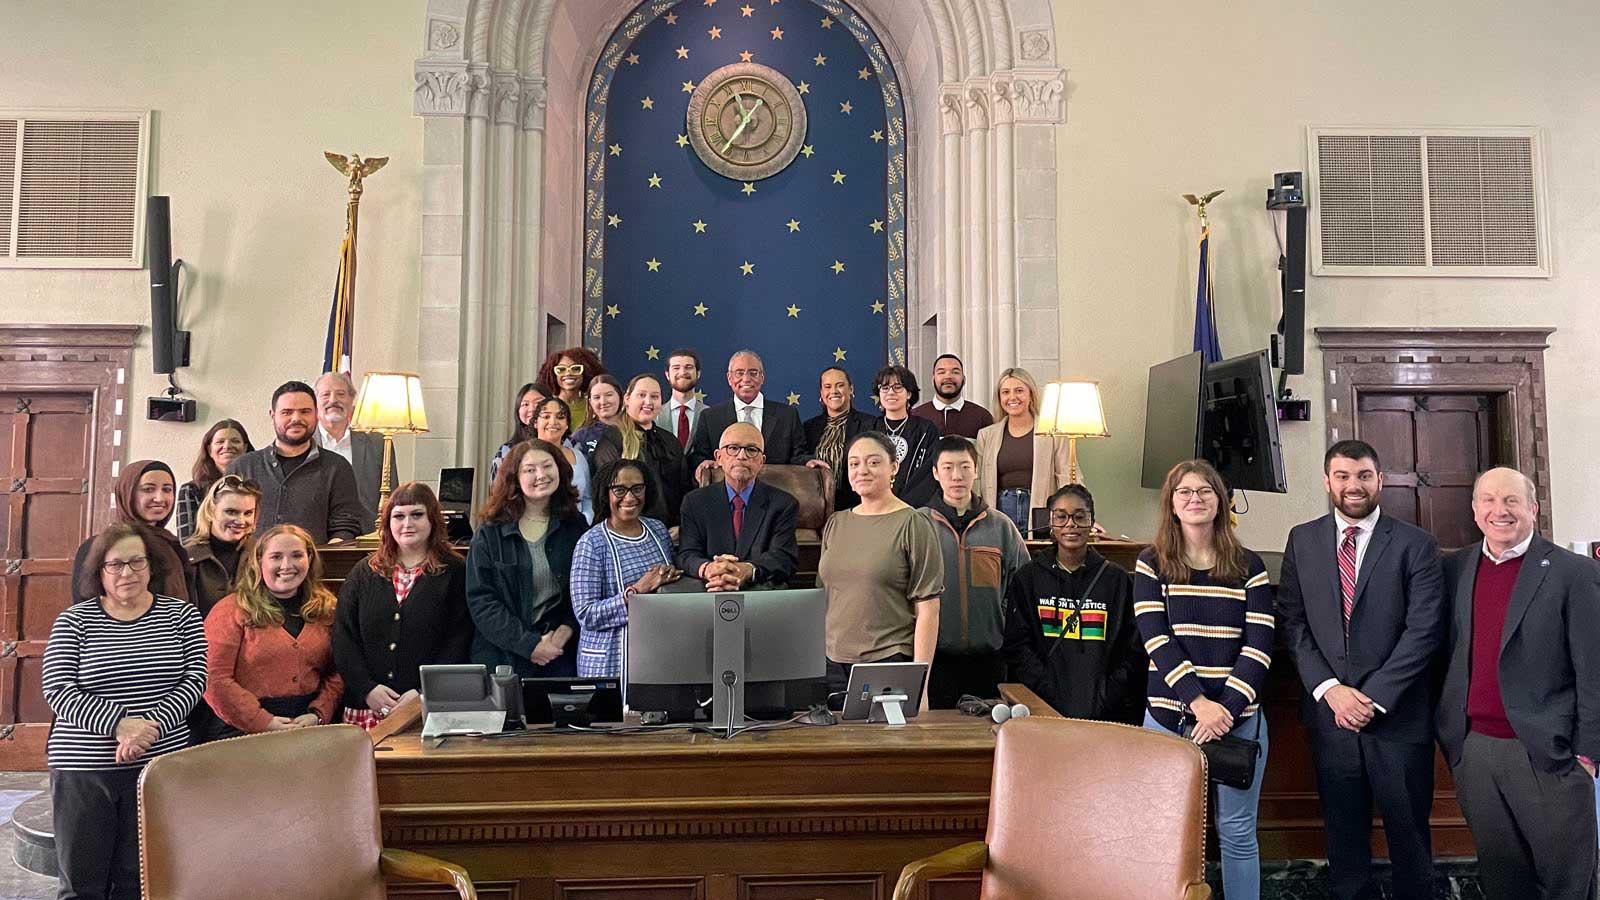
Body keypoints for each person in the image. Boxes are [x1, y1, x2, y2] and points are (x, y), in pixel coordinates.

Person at [1276, 440, 1446, 900]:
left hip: (1397, 719)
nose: (1354, 486)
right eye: (1343, 476)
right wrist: (1331, 690)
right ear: (1327, 480)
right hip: (1330, 719)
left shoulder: (1417, 544)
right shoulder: (1302, 539)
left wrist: (1371, 697)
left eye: (1364, 475)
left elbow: (1424, 630)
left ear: (1380, 480)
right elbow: (1292, 621)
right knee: (1344, 838)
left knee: (1410, 838)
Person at [1435, 467, 1599, 900]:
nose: (1499, 511)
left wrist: (1588, 752)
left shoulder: (1573, 573)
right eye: (1488, 500)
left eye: (1511, 501)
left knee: (1566, 882)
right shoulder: (1454, 568)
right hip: (1475, 752)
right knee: (1503, 880)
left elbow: (1594, 669)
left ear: (1534, 508)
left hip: (1550, 753)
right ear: (1474, 511)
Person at [43, 523, 206, 900]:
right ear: (99, 572)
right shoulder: (74, 620)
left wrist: (148, 730)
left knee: (141, 883)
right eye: (115, 565)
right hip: (84, 768)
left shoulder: (181, 616)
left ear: (151, 567)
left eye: (136, 562)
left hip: (157, 766)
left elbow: (194, 680)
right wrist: (120, 725)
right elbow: (58, 689)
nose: (127, 573)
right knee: (82, 885)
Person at [1135, 459, 1274, 900]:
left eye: (1204, 491)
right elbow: (1155, 639)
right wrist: (1199, 705)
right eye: (1184, 492)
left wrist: (1224, 711)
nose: (1195, 499)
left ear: (1220, 501)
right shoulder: (1151, 563)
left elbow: (1258, 648)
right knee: (1166, 835)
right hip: (1169, 720)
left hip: (1239, 722)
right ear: (1172, 506)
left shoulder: (1249, 566)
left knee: (1236, 834)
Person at [817, 432, 943, 703]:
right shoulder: (836, 523)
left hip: (887, 660)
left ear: (893, 467)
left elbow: (928, 610)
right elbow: (824, 596)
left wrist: (920, 684)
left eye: (873, 462)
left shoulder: (914, 523)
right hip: (831, 664)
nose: (862, 470)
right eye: (854, 463)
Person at [335, 482, 471, 729]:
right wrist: (367, 689)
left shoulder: (456, 571)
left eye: (416, 515)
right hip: (365, 706)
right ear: (388, 523)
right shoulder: (364, 572)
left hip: (427, 707)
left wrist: (423, 692)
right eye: (398, 516)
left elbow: (459, 640)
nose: (407, 524)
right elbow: (343, 638)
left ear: (432, 520)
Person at [1003, 484, 1143, 723]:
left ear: (1092, 522)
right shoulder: (1028, 579)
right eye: (1061, 517)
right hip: (1042, 707)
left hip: (1105, 712)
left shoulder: (1116, 580)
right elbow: (1017, 646)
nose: (1071, 524)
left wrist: (1106, 693)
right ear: (1051, 523)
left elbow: (1132, 649)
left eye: (1080, 517)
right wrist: (1046, 689)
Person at [201, 524, 343, 740]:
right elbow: (213, 678)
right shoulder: (230, 610)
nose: (287, 565)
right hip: (241, 731)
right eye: (276, 557)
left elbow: (340, 671)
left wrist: (319, 713)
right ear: (259, 562)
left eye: (297, 555)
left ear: (310, 559)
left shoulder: (327, 609)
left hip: (308, 726)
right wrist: (262, 721)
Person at [920, 436, 1028, 707]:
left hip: (989, 658)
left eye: (965, 467)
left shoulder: (1001, 526)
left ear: (977, 470)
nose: (957, 476)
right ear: (935, 473)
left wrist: (1001, 620)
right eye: (947, 467)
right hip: (934, 658)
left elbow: (1022, 584)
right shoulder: (918, 524)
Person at [466, 439, 586, 677]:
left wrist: (566, 630)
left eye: (547, 466)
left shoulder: (576, 526)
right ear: (514, 479)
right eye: (530, 470)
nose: (541, 475)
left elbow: (584, 590)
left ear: (559, 470)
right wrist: (529, 645)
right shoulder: (490, 531)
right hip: (503, 655)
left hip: (559, 651)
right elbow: (481, 600)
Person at [570, 459, 679, 678]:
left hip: (654, 655)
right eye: (619, 489)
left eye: (637, 488)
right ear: (605, 493)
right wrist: (637, 591)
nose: (630, 497)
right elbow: (586, 615)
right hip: (609, 662)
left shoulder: (657, 530)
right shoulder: (591, 543)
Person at [227, 380, 366, 544]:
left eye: (305, 411)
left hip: (313, 567)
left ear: (316, 414)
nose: (296, 418)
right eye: (287, 412)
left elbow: (345, 525)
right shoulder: (243, 467)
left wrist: (324, 559)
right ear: (273, 415)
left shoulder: (337, 467)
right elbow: (226, 521)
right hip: (250, 566)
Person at [677, 422, 800, 590]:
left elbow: (783, 558)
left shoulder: (783, 504)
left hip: (761, 594)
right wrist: (709, 569)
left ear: (762, 461)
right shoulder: (694, 502)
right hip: (710, 590)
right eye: (733, 448)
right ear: (719, 457)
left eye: (751, 450)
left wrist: (747, 570)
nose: (741, 456)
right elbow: (686, 555)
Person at [71, 459, 190, 604]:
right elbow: (85, 607)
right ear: (127, 493)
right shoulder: (98, 547)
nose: (160, 498)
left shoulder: (174, 547)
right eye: (148, 489)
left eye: (167, 489)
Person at [973, 367, 1070, 533]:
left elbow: (1066, 475)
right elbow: (977, 481)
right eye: (1005, 392)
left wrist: (1078, 513)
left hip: (1040, 511)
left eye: (1019, 391)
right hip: (1000, 512)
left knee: (1038, 557)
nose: (1012, 397)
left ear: (1031, 395)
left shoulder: (1053, 431)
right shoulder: (986, 435)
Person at [688, 350, 814, 473]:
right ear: (729, 378)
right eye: (739, 373)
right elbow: (699, 457)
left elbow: (798, 456)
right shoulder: (710, 417)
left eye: (753, 373)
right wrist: (703, 463)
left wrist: (809, 462)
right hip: (727, 492)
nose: (746, 379)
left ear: (762, 378)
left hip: (777, 489)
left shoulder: (787, 415)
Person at [592, 375, 689, 528]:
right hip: (629, 531)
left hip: (672, 532)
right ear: (627, 399)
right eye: (642, 395)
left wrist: (681, 526)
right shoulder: (612, 439)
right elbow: (607, 494)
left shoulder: (669, 440)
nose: (648, 402)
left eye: (655, 396)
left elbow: (685, 488)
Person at [313, 370, 398, 528]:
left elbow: (393, 497)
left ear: (351, 400)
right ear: (315, 402)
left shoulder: (378, 443)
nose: (333, 400)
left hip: (365, 537)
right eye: (325, 394)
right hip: (317, 537)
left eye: (341, 394)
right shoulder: (303, 443)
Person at [183, 474, 262, 616]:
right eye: (231, 512)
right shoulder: (187, 557)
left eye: (248, 513)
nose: (240, 520)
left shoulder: (262, 555)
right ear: (210, 511)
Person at [803, 365, 876, 512]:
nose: (833, 391)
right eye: (827, 387)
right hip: (815, 508)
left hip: (856, 507)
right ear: (822, 393)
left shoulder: (870, 424)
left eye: (840, 385)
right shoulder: (808, 427)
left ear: (851, 390)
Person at [871, 365, 940, 508]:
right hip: (875, 506)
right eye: (884, 387)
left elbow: (928, 474)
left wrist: (901, 505)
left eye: (897, 387)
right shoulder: (869, 429)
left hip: (914, 509)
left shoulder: (926, 430)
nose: (890, 392)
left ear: (909, 393)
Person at [175, 418, 253, 541]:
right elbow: (187, 541)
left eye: (235, 441)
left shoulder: (256, 488)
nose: (227, 446)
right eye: (220, 442)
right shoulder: (191, 490)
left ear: (245, 448)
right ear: (210, 450)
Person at [531, 396, 593, 522]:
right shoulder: (524, 456)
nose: (553, 422)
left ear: (566, 425)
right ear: (536, 422)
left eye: (560, 417)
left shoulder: (578, 456)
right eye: (546, 416)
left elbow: (587, 498)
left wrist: (585, 521)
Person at [911, 354, 994, 439]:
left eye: (955, 372)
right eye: (941, 372)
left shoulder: (982, 417)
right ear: (933, 380)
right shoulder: (915, 417)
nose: (948, 377)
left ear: (964, 380)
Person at [489, 382, 548, 482]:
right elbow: (496, 492)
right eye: (525, 404)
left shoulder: (568, 445)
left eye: (538, 403)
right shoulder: (506, 451)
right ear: (518, 411)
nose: (532, 409)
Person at [537, 347, 606, 432]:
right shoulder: (546, 406)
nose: (568, 373)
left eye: (576, 369)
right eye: (561, 369)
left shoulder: (594, 405)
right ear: (553, 374)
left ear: (586, 372)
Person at [655, 348, 707, 450]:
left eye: (689, 367)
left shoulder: (710, 414)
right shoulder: (655, 415)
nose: (683, 372)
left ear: (698, 374)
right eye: (676, 368)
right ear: (667, 375)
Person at [569, 374, 625, 461]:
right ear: (590, 402)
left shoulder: (635, 430)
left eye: (609, 395)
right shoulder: (581, 436)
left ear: (620, 397)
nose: (603, 402)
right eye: (597, 397)